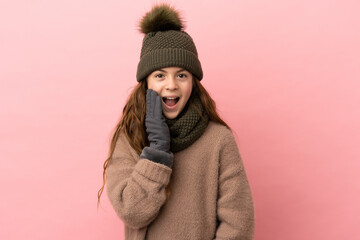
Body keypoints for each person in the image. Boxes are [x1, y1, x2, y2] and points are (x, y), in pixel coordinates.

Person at [97, 3, 255, 240]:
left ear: (193, 82)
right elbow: (132, 212)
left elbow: (239, 221)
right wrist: (156, 153)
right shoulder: (129, 137)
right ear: (146, 82)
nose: (171, 84)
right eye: (160, 75)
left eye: (181, 75)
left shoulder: (218, 139)